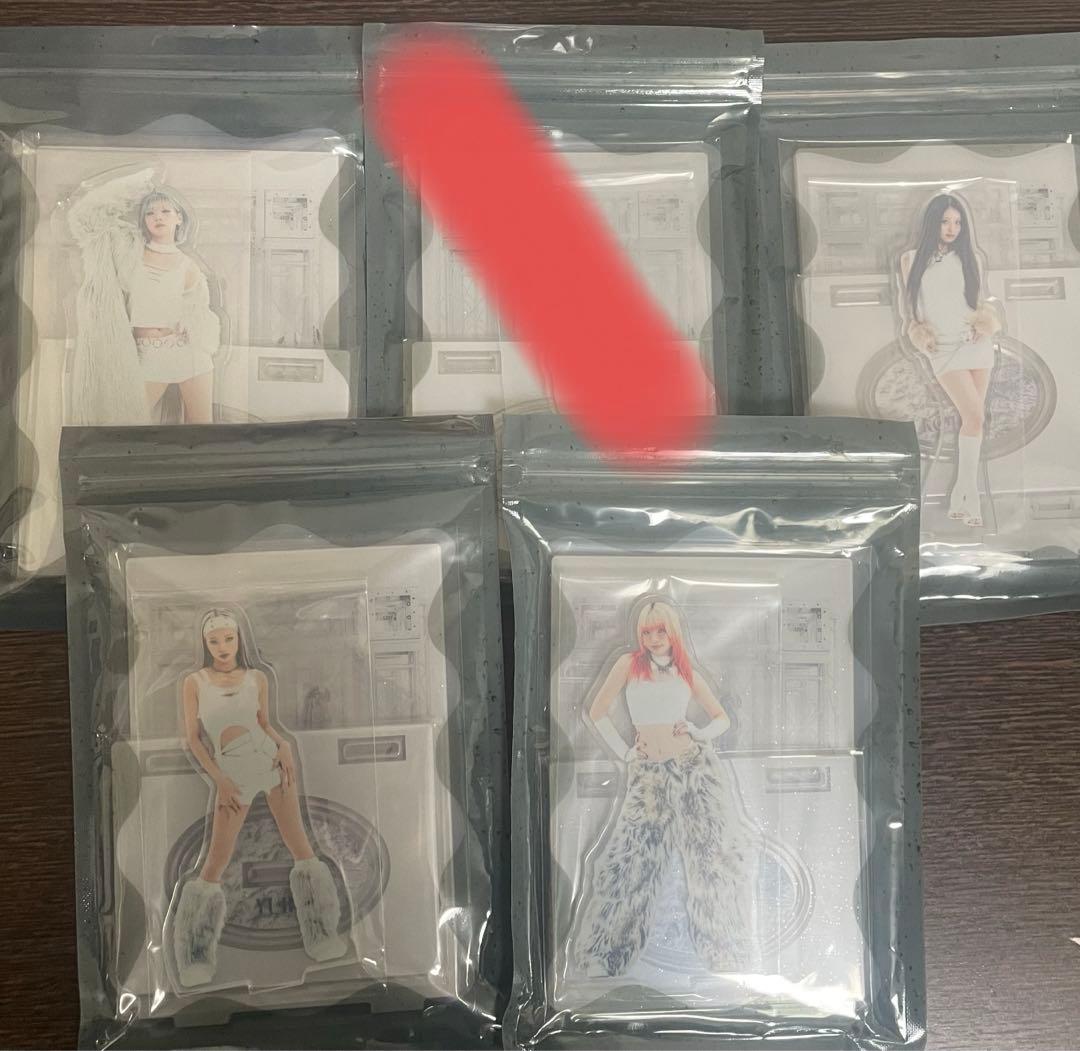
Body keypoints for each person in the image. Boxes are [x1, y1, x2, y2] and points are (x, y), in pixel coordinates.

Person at [575, 600, 761, 977]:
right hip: (649, 776)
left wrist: (698, 732)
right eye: (647, 632)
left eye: (661, 630)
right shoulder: (628, 664)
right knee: (631, 859)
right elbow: (596, 712)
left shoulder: (685, 669)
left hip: (695, 772)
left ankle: (729, 952)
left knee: (713, 860)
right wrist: (625, 753)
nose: (654, 638)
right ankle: (604, 954)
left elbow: (721, 719)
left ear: (672, 631)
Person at [171, 609, 346, 987]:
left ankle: (322, 934)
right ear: (205, 643)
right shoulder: (194, 682)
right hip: (231, 771)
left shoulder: (257, 678)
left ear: (239, 640)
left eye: (228, 638)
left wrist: (284, 746)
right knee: (214, 862)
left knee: (302, 848)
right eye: (214, 640)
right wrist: (219, 780)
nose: (222, 647)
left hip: (270, 760)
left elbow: (265, 723)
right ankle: (194, 954)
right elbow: (193, 740)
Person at [66, 166, 220, 426]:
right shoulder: (128, 251)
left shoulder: (190, 265)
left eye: (165, 211)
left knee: (202, 429)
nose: (157, 217)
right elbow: (85, 220)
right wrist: (136, 184)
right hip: (145, 355)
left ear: (179, 218)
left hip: (190, 355)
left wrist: (193, 327)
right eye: (150, 212)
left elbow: (200, 315)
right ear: (144, 221)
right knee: (122, 426)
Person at [900, 193, 1001, 527]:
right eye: (945, 221)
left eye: (957, 222)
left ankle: (965, 494)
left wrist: (980, 326)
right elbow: (910, 309)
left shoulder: (970, 257)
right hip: (941, 348)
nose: (952, 228)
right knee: (974, 416)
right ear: (932, 222)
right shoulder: (910, 259)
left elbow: (977, 301)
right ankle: (968, 493)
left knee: (974, 420)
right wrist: (922, 337)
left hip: (976, 343)